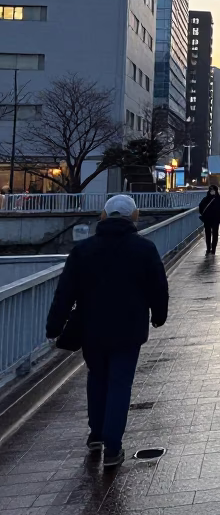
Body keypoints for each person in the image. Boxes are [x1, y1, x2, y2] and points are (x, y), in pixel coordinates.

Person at [45, 194, 168, 469]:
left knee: (97, 377)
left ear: (104, 215)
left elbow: (65, 292)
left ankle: (96, 434)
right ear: (133, 217)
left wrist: (54, 326)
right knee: (120, 383)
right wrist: (159, 316)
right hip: (129, 328)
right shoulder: (144, 249)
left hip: (92, 327)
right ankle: (113, 447)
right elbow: (158, 287)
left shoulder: (83, 250)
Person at [198, 185, 220, 254]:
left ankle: (208, 248)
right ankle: (213, 249)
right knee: (215, 234)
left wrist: (203, 214)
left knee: (208, 234)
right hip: (216, 218)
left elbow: (200, 208)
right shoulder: (219, 199)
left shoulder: (205, 199)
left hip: (207, 219)